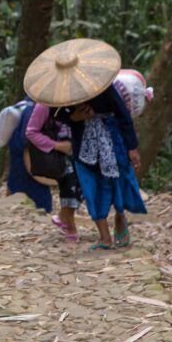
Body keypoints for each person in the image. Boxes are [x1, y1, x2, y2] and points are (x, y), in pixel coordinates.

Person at [54, 84, 147, 250]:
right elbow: (56, 114)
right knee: (91, 188)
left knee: (118, 183)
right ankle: (105, 237)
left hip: (112, 142)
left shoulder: (103, 86)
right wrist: (74, 117)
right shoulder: (64, 91)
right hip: (83, 147)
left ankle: (120, 218)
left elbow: (122, 114)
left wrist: (131, 147)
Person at [24, 102, 83, 242]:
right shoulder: (44, 105)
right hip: (59, 155)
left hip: (78, 152)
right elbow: (31, 132)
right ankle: (70, 227)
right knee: (70, 186)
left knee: (81, 188)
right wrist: (56, 145)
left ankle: (63, 217)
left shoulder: (77, 100)